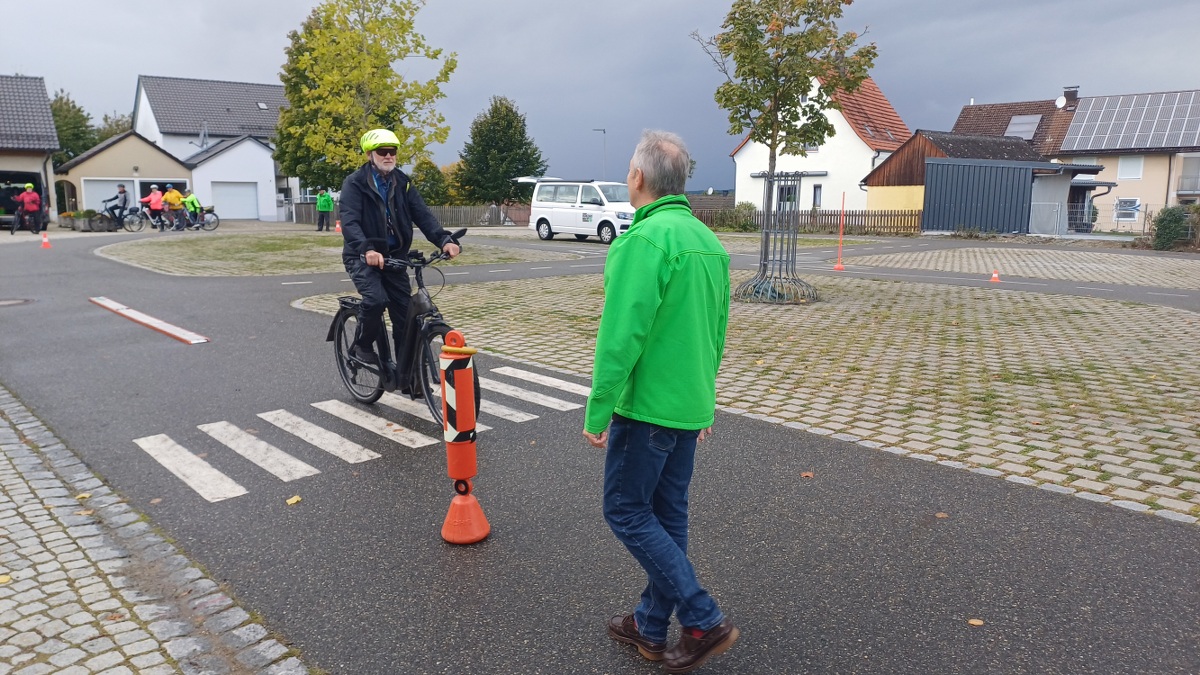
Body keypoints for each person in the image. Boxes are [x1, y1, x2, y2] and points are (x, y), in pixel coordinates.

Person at [582, 130, 736, 674]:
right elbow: (717, 331)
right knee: (668, 516)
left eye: (628, 168)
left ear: (639, 178)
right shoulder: (708, 242)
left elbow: (621, 336)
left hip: (645, 408)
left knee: (625, 509)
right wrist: (706, 402)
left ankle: (701, 617)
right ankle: (650, 625)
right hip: (687, 406)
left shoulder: (642, 242)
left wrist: (599, 409)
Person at [339, 128, 460, 368]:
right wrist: (367, 250)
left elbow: (422, 214)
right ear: (369, 155)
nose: (388, 156)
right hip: (362, 257)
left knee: (405, 316)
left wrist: (444, 240)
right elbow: (350, 221)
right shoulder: (355, 183)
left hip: (395, 259)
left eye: (392, 151)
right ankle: (363, 345)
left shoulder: (402, 183)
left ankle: (406, 375)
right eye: (382, 151)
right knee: (375, 300)